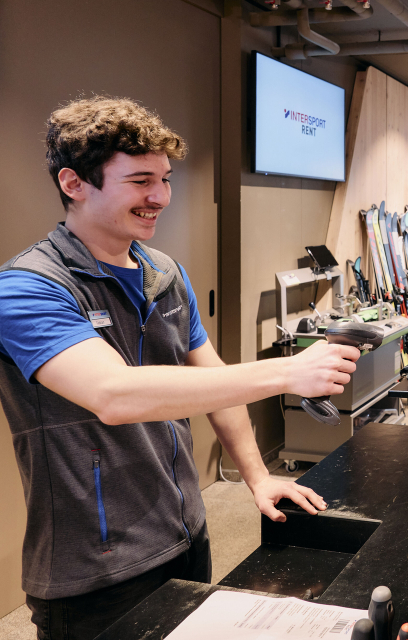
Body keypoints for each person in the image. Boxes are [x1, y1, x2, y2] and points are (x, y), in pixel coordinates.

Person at [0, 97, 360, 640]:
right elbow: (114, 395)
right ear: (74, 183)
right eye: (141, 180)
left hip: (186, 533)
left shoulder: (163, 271)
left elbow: (212, 381)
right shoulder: (27, 289)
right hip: (96, 570)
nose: (160, 198)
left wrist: (258, 478)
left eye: (165, 179)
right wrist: (285, 374)